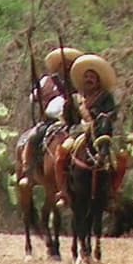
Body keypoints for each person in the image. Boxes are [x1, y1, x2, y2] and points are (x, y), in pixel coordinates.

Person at [55, 54, 119, 207]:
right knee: (61, 154)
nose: (89, 79)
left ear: (98, 80)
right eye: (86, 77)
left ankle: (112, 192)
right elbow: (69, 119)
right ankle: (63, 191)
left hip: (101, 134)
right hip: (78, 132)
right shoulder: (76, 98)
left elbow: (112, 114)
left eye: (92, 77)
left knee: (121, 159)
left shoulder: (105, 97)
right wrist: (69, 109)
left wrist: (99, 119)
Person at [26, 46, 82, 160]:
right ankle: (28, 164)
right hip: (49, 121)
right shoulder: (47, 80)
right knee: (34, 136)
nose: (66, 67)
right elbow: (33, 97)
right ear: (58, 66)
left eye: (69, 64)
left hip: (71, 120)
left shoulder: (77, 82)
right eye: (63, 64)